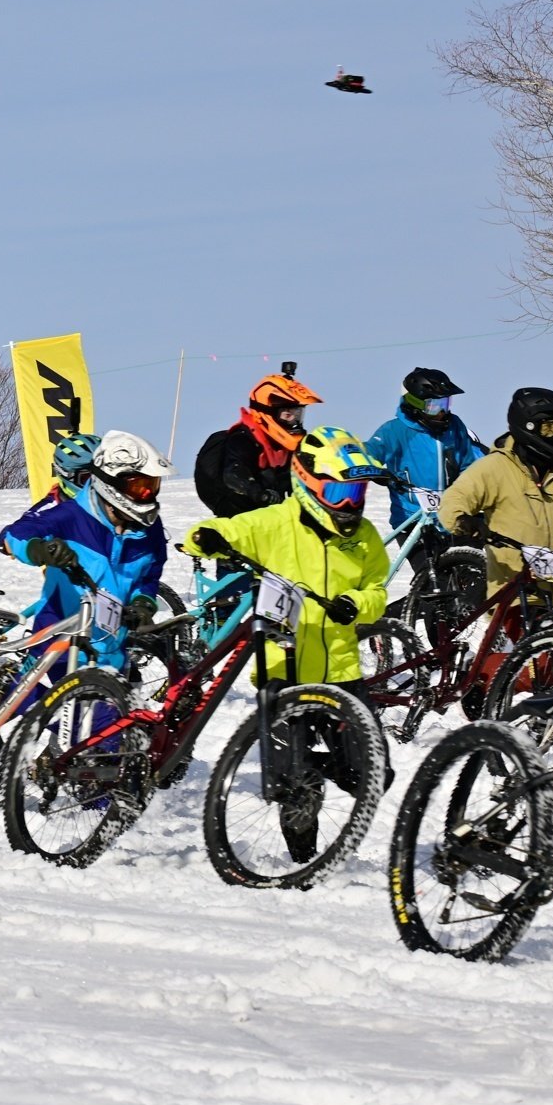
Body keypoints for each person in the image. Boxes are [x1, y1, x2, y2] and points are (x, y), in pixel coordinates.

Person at [184, 426, 391, 862]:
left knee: (374, 774)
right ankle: (302, 862)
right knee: (290, 786)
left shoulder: (366, 536)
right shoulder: (275, 522)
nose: (351, 504)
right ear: (309, 484)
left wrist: (358, 603)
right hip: (283, 670)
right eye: (340, 492)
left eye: (358, 491)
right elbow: (225, 529)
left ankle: (311, 769)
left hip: (340, 672)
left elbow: (377, 590)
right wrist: (204, 537)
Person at [0, 431, 169, 666]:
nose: (147, 495)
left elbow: (149, 574)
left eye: (152, 485)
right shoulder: (67, 512)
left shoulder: (148, 528)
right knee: (32, 699)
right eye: (138, 487)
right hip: (61, 636)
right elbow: (12, 535)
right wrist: (40, 550)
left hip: (110, 646)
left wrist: (144, 603)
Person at [438, 385, 553, 611]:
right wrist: (466, 522)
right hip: (512, 596)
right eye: (549, 428)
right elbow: (454, 501)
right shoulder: (495, 468)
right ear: (528, 427)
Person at [366, 367, 484, 570]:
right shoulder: (394, 431)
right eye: (434, 406)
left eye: (446, 404)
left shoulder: (455, 426)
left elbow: (468, 465)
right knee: (432, 578)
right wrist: (375, 471)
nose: (442, 412)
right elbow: (367, 455)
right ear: (415, 404)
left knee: (468, 576)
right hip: (413, 519)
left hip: (452, 516)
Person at [193, 364, 320, 518]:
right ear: (266, 412)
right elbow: (233, 473)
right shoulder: (242, 440)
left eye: (298, 416)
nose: (294, 422)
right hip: (237, 513)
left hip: (269, 514)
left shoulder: (284, 447)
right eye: (288, 415)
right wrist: (259, 493)